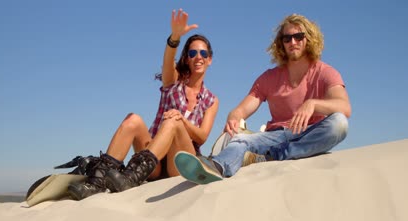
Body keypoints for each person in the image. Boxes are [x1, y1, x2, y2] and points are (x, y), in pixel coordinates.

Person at [174, 13, 351, 180]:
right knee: (240, 139)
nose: (293, 42)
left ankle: (276, 155)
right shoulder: (269, 77)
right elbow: (241, 110)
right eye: (287, 38)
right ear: (281, 43)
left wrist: (313, 104)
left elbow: (344, 108)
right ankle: (216, 167)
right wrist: (234, 119)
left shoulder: (325, 72)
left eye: (299, 36)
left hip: (309, 133)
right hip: (275, 136)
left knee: (339, 124)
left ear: (309, 39)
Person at [66, 9, 219, 200]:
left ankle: (130, 177)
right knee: (134, 119)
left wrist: (182, 120)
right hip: (152, 161)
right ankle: (96, 182)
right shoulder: (173, 82)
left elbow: (203, 136)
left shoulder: (211, 100)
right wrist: (175, 37)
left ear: (209, 59)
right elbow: (168, 59)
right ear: (187, 58)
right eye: (193, 52)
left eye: (203, 53)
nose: (198, 57)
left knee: (173, 122)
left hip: (179, 163)